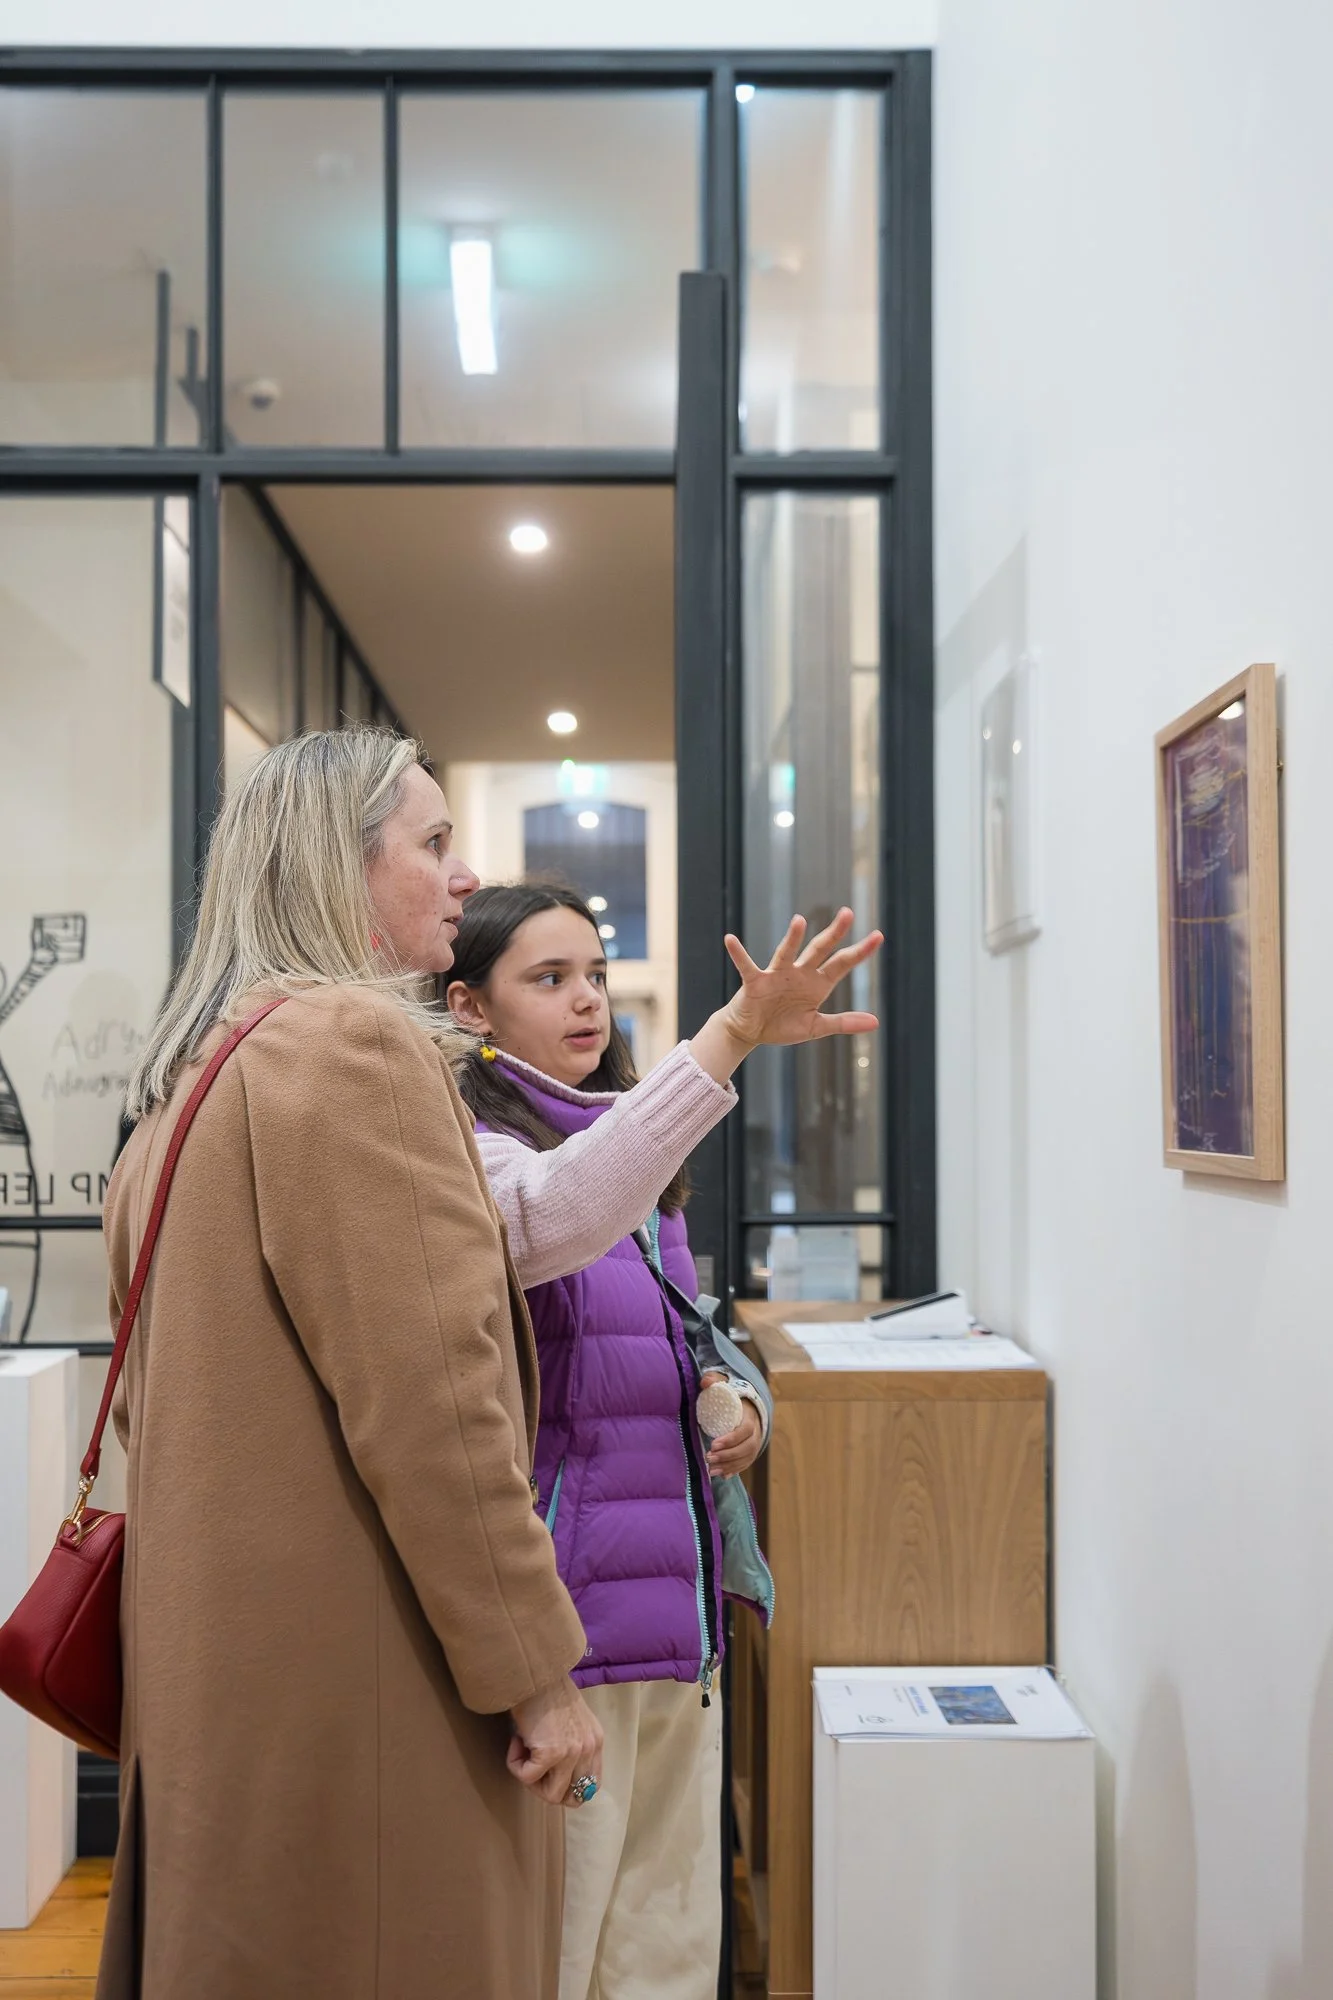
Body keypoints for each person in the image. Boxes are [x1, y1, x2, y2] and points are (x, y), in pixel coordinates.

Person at [98, 730, 602, 2000]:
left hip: (231, 1679)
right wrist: (537, 1675)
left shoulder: (194, 1074)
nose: (463, 871)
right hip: (367, 1683)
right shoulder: (349, 1051)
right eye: (431, 843)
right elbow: (436, 1405)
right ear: (340, 863)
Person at [445, 881, 881, 2000]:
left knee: (666, 1947)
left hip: (680, 1622)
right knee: (560, 1943)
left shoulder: (637, 1149)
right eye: (548, 979)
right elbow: (553, 1216)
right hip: (568, 1631)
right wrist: (730, 1034)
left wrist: (737, 1400)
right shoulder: (470, 1151)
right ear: (470, 1008)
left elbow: (691, 1344)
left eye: (593, 972)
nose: (587, 1000)